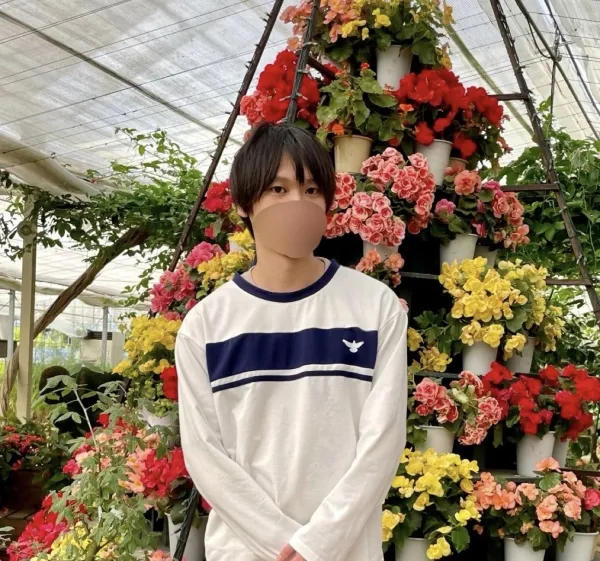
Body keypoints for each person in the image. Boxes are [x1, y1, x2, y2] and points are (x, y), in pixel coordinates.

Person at [176, 122, 407, 561]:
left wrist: (317, 544)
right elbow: (205, 455)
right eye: (278, 190)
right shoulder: (206, 326)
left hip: (347, 552)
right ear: (244, 203)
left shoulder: (374, 307)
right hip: (245, 552)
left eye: (312, 190)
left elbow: (384, 440)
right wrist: (287, 545)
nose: (298, 203)